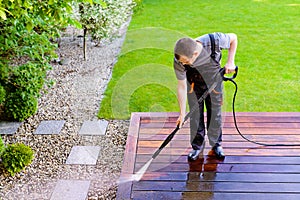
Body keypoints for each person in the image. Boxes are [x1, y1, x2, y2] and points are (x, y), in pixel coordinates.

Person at [173, 32, 238, 160]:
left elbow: (234, 38)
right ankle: (197, 147)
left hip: (214, 84)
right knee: (195, 116)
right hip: (194, 86)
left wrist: (230, 62)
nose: (184, 64)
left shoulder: (215, 40)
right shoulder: (179, 60)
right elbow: (181, 85)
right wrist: (182, 113)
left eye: (186, 62)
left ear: (195, 54)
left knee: (215, 115)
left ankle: (216, 145)